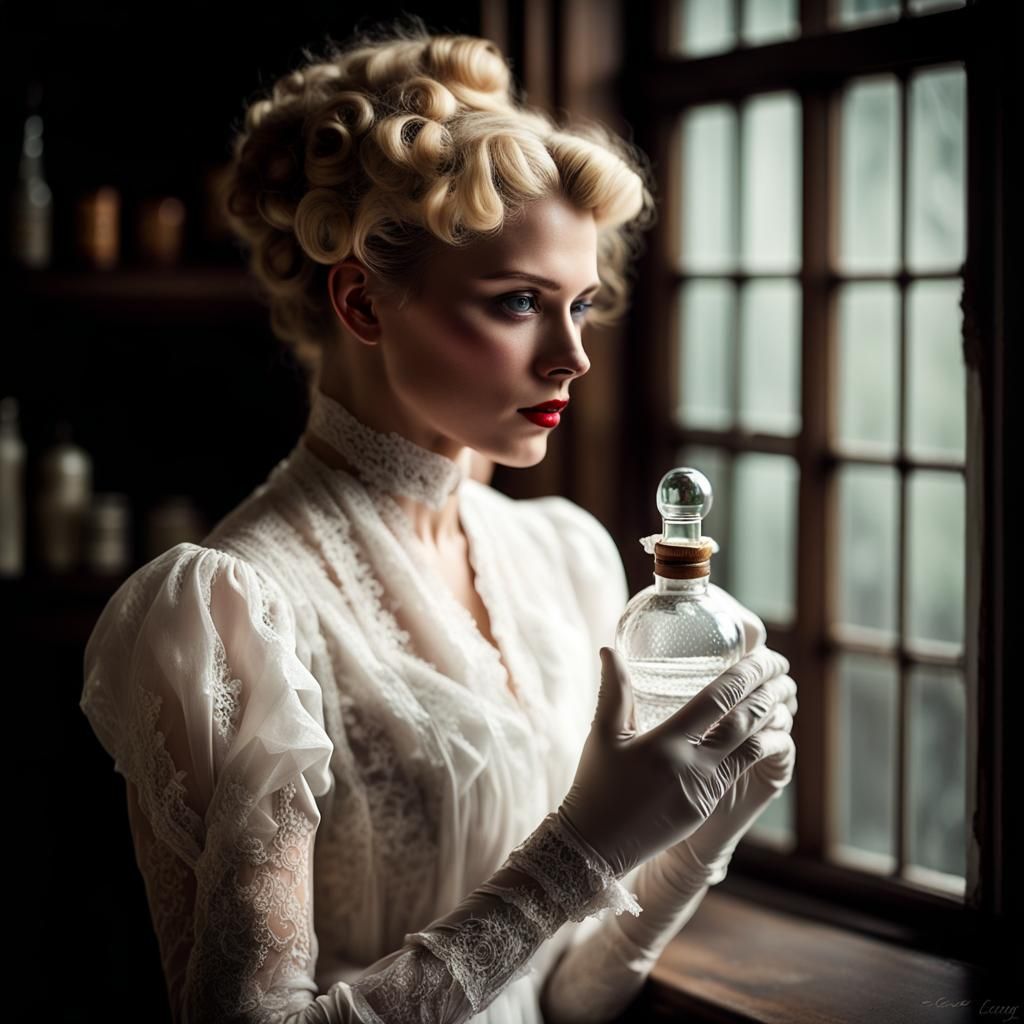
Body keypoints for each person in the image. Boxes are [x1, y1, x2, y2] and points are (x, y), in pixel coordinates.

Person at [80, 16, 798, 1024]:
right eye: (517, 303)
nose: (570, 356)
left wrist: (697, 834)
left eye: (581, 305)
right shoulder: (233, 610)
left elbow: (567, 997)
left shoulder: (566, 559)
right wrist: (582, 850)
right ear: (364, 304)